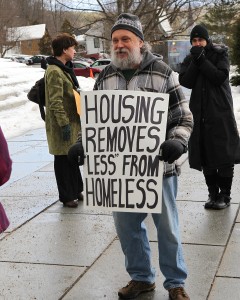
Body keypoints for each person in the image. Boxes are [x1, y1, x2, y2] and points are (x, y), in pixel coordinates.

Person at [93, 13, 193, 300]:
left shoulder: (163, 72)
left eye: (126, 38)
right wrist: (82, 145)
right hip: (120, 172)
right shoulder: (106, 77)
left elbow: (183, 118)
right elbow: (92, 122)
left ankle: (175, 282)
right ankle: (141, 277)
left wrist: (177, 142)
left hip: (159, 169)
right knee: (127, 229)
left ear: (140, 41)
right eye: (115, 40)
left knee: (168, 230)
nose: (120, 44)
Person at [179, 25, 240, 210]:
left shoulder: (220, 53)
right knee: (205, 155)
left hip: (220, 111)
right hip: (199, 113)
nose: (198, 44)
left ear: (207, 40)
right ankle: (212, 194)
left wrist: (202, 59)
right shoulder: (190, 58)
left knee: (223, 155)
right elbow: (185, 81)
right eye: (194, 41)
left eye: (201, 40)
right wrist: (196, 61)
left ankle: (225, 195)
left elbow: (219, 76)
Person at [45, 33, 83, 208]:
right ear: (64, 49)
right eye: (73, 48)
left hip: (71, 122)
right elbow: (55, 101)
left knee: (72, 157)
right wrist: (64, 124)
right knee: (62, 161)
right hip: (62, 125)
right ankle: (67, 196)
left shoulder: (64, 68)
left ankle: (76, 190)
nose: (75, 51)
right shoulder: (54, 71)